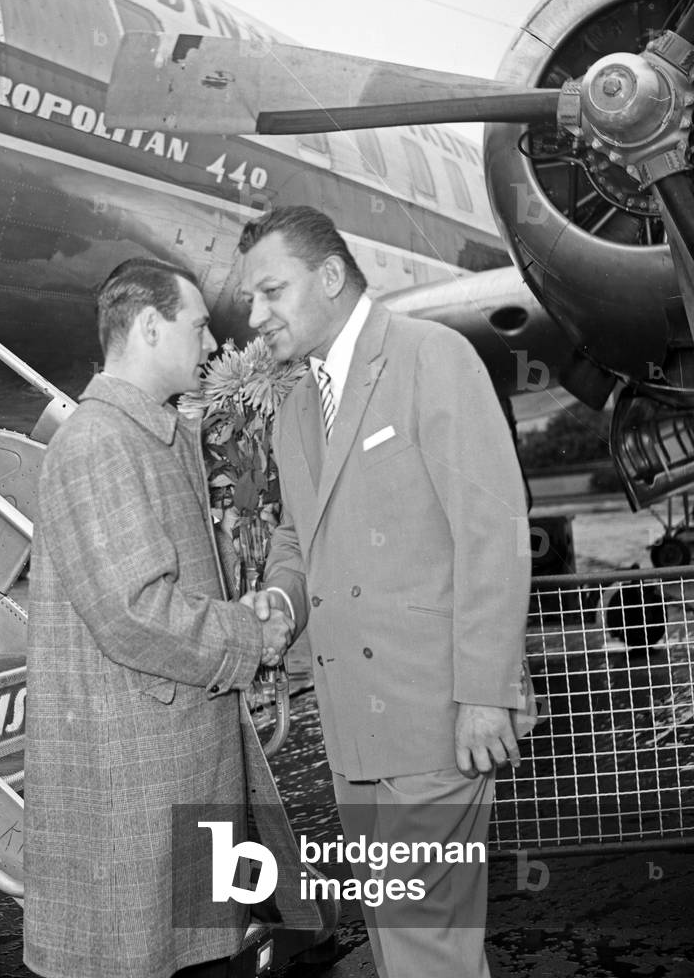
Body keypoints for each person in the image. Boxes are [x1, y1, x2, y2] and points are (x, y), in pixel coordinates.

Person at [237, 206, 535, 978]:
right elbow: (298, 538)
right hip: (354, 732)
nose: (255, 316)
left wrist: (485, 692)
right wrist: (282, 601)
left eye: (271, 291)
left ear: (331, 276)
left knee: (426, 948)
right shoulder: (296, 404)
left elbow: (494, 530)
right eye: (249, 299)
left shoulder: (432, 357)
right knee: (408, 947)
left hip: (436, 718)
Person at [23, 258, 316, 978]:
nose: (212, 343)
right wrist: (251, 632)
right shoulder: (98, 443)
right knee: (152, 960)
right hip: (138, 777)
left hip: (181, 764)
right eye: (198, 325)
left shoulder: (157, 435)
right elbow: (134, 613)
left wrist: (248, 596)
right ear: (150, 327)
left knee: (201, 955)